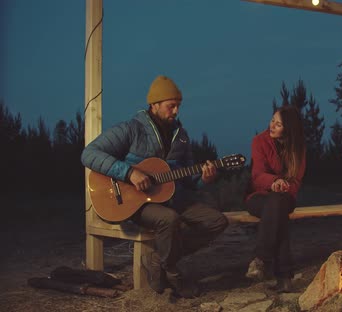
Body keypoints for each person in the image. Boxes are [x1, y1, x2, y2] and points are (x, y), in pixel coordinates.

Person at [81, 75, 228, 298]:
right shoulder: (131, 129)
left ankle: (158, 260)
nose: (176, 111)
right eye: (171, 106)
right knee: (169, 219)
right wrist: (129, 172)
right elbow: (89, 154)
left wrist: (204, 179)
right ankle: (173, 274)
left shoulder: (182, 137)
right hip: (135, 202)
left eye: (178, 106)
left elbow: (189, 179)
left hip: (173, 197)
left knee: (217, 221)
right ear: (154, 105)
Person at [244, 105, 306, 293]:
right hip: (258, 196)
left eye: (278, 124)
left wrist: (285, 186)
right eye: (272, 120)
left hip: (285, 197)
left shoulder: (298, 147)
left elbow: (296, 179)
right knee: (277, 210)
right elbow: (257, 175)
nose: (272, 126)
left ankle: (261, 259)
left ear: (288, 128)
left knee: (278, 204)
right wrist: (273, 182)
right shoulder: (259, 141)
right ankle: (284, 278)